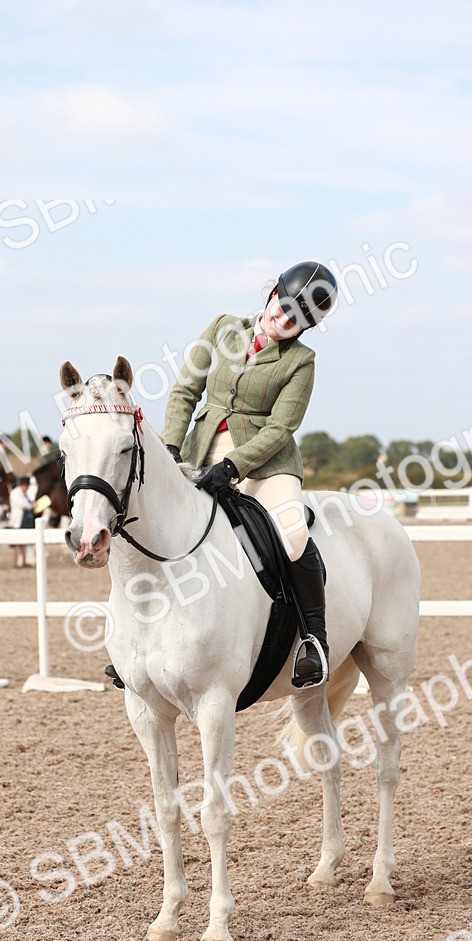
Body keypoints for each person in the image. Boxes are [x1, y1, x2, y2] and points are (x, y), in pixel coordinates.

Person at [162, 261, 338, 687]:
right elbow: (186, 390)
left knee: (293, 533)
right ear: (270, 293)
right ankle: (140, 638)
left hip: (266, 461)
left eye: (296, 322)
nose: (282, 322)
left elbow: (281, 428)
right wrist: (170, 446)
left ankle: (314, 640)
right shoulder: (224, 327)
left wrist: (233, 466)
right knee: (155, 519)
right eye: (281, 309)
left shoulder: (301, 360)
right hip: (200, 447)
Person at [8, 476, 35, 567]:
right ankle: (14, 562)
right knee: (16, 543)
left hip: (23, 520)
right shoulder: (15, 493)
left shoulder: (23, 493)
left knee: (23, 543)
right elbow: (23, 504)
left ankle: (23, 561)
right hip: (18, 521)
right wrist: (32, 506)